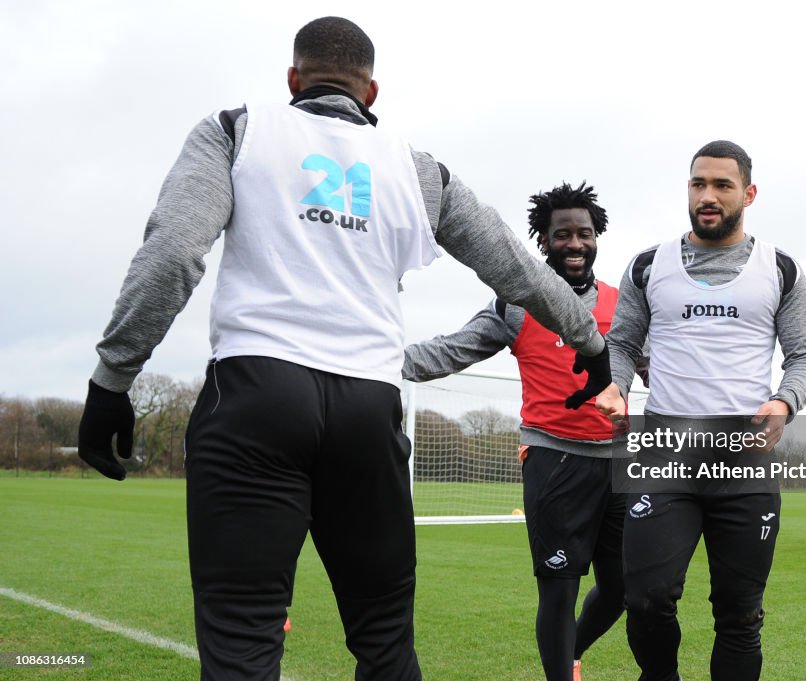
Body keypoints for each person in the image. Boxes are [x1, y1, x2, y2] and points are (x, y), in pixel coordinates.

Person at [75, 18, 611, 681]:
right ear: (372, 92)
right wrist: (590, 342)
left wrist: (112, 379)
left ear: (293, 80)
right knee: (385, 645)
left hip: (254, 398)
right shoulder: (416, 168)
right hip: (368, 407)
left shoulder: (237, 129)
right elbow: (518, 269)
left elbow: (173, 252)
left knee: (243, 643)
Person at [596, 140, 806, 681]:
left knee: (740, 616)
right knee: (645, 599)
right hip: (666, 455)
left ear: (748, 192)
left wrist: (784, 402)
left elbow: (805, 356)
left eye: (722, 185)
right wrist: (616, 386)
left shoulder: (781, 269)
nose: (709, 195)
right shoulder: (650, 265)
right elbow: (622, 343)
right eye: (699, 184)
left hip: (744, 459)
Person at [404, 181, 634, 681]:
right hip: (555, 461)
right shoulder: (515, 304)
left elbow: (666, 369)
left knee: (625, 588)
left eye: (585, 234)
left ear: (598, 238)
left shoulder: (625, 306)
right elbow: (453, 349)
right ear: (543, 241)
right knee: (559, 588)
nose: (575, 244)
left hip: (619, 463)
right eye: (563, 235)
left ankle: (572, 652)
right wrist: (376, 363)